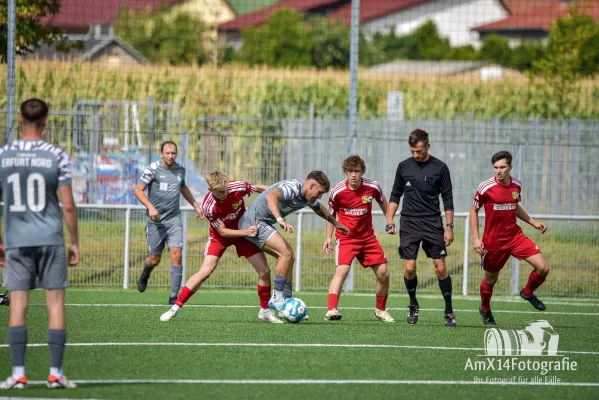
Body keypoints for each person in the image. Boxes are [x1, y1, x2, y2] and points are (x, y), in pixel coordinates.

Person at [0, 98, 79, 389]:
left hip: (17, 241)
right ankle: (55, 374)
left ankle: (18, 374)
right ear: (46, 121)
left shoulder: (4, 154)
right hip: (50, 239)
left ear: (20, 119)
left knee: (18, 303)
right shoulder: (56, 155)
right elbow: (68, 206)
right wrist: (75, 242)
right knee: (55, 304)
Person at [160, 170, 283, 323]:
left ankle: (264, 310)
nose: (223, 194)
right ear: (210, 190)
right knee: (205, 271)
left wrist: (279, 192)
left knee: (264, 271)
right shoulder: (209, 206)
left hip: (243, 231)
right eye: (219, 192)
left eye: (224, 190)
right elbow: (223, 232)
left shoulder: (236, 187)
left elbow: (257, 188)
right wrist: (245, 231)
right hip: (221, 236)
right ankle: (175, 308)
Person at [238, 171, 349, 312]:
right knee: (286, 254)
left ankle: (287, 300)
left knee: (289, 257)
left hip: (263, 222)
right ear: (311, 185)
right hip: (253, 222)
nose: (319, 196)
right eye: (319, 192)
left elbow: (319, 208)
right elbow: (271, 196)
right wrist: (280, 219)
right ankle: (277, 299)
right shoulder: (292, 188)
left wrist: (335, 222)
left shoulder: (307, 196)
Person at [385, 129, 456, 328]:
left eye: (419, 150)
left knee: (440, 268)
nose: (416, 155)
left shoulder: (440, 167)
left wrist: (449, 227)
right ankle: (413, 303)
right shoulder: (403, 166)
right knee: (409, 268)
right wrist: (390, 219)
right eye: (413, 151)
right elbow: (395, 194)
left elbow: (448, 198)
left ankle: (449, 311)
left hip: (433, 222)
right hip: (409, 223)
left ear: (427, 146)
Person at [471, 151, 549, 325]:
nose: (498, 171)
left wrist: (533, 222)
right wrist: (476, 238)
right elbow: (473, 210)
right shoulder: (485, 187)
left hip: (515, 236)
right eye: (496, 168)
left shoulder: (516, 185)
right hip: (493, 242)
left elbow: (515, 207)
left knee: (543, 268)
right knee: (491, 280)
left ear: (510, 167)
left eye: (502, 167)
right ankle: (485, 308)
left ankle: (527, 292)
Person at [322, 155, 394, 322]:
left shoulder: (372, 186)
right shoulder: (337, 192)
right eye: (350, 171)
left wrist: (389, 221)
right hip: (346, 238)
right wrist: (328, 237)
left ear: (362, 172)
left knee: (384, 273)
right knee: (342, 270)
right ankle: (331, 310)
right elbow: (330, 215)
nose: (353, 174)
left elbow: (384, 202)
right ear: (345, 172)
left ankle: (380, 310)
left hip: (367, 238)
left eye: (357, 171)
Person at [134, 141, 203, 304]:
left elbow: (183, 187)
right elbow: (138, 190)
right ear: (161, 154)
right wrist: (150, 207)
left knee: (177, 254)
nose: (171, 156)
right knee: (154, 259)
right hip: (155, 221)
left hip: (174, 220)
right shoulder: (153, 169)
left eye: (173, 153)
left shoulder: (180, 170)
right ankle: (145, 273)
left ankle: (173, 297)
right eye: (168, 153)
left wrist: (195, 204)